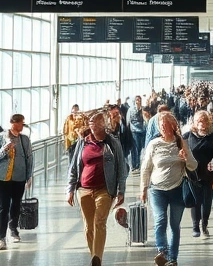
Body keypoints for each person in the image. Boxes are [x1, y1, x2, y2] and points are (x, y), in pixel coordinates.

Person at [67, 112, 127, 266]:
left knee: (99, 222)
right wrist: (70, 189)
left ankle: (97, 259)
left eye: (96, 122)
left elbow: (121, 168)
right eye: (91, 122)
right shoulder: (83, 142)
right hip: (84, 190)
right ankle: (94, 254)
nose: (92, 125)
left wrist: (121, 191)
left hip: (104, 189)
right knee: (88, 227)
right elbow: (74, 167)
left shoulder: (112, 143)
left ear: (103, 125)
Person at [141, 112, 197, 266]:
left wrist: (185, 157)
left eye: (166, 125)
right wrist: (143, 189)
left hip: (177, 188)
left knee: (174, 224)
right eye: (161, 125)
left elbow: (193, 165)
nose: (163, 128)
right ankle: (162, 251)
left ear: (173, 126)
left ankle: (173, 258)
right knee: (160, 221)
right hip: (157, 190)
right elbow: (146, 168)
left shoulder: (181, 143)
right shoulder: (154, 144)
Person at [0, 114, 33, 250]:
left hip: (19, 177)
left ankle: (13, 229)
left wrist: (29, 176)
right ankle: (1, 238)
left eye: (23, 123)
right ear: (13, 123)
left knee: (16, 204)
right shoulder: (0, 137)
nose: (22, 126)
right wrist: (4, 149)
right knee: (3, 207)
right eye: (20, 123)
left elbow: (29, 158)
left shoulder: (24, 140)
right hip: (1, 177)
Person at [183, 110, 213, 238]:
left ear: (208, 122)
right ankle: (195, 226)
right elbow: (182, 150)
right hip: (193, 172)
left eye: (204, 121)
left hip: (209, 172)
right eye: (199, 121)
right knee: (196, 200)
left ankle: (204, 224)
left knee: (206, 201)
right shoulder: (188, 136)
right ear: (195, 123)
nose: (202, 124)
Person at [127, 96, 147, 171]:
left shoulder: (143, 109)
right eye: (137, 100)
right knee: (134, 148)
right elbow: (128, 121)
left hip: (142, 130)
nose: (138, 101)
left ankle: (137, 164)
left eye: (139, 100)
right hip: (134, 130)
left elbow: (145, 119)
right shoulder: (131, 109)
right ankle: (134, 165)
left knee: (139, 148)